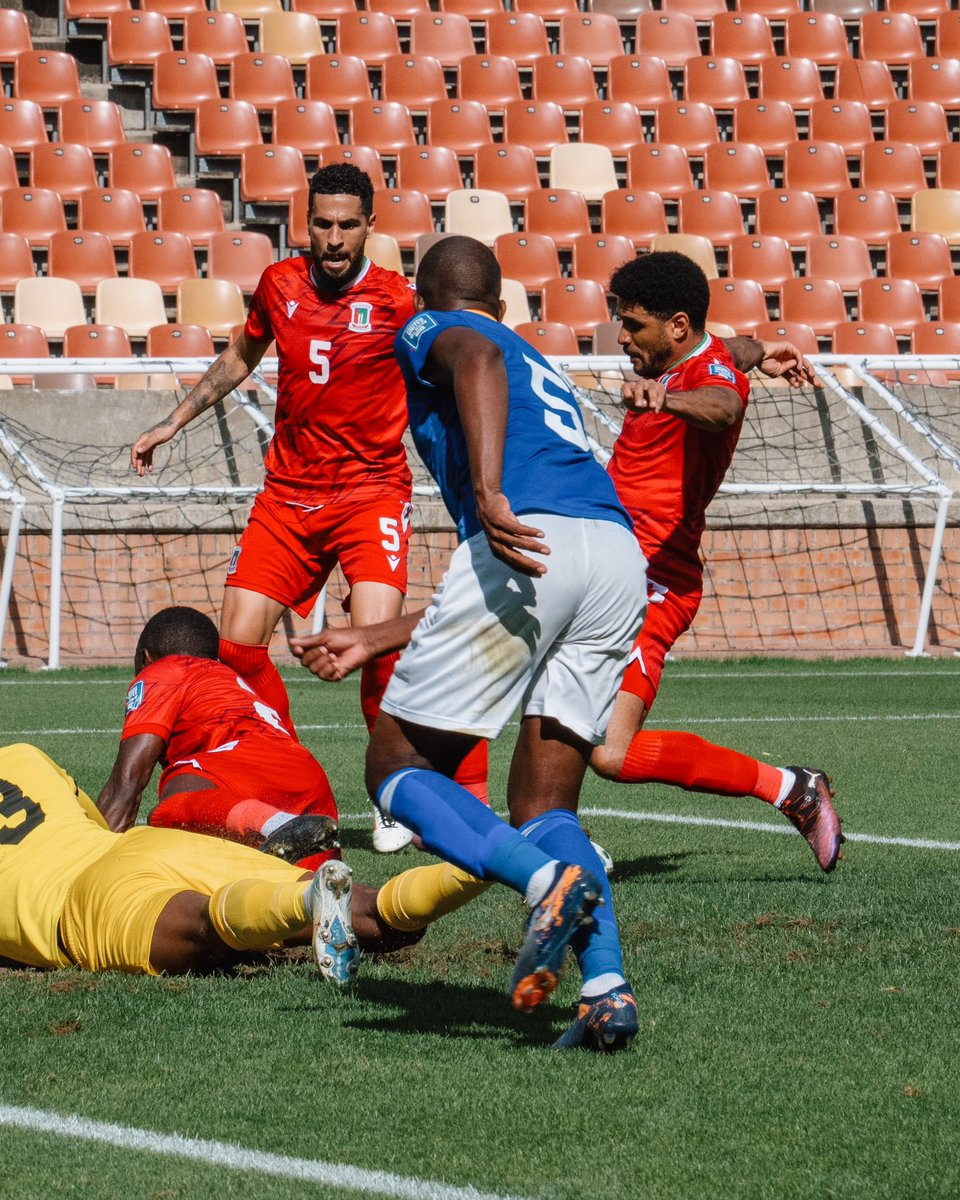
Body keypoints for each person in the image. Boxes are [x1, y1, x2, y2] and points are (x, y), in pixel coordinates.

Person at [300, 235, 650, 1055]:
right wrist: (375, 635)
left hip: (528, 536)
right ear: (505, 300)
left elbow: (472, 363)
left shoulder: (436, 331)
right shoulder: (535, 354)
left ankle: (542, 883)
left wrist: (488, 492)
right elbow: (525, 585)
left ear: (430, 301)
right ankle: (606, 989)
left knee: (393, 767)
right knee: (544, 805)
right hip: (613, 554)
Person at [128, 163, 486, 853]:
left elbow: (461, 360)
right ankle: (284, 769)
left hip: (370, 493)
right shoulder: (279, 285)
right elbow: (240, 355)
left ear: (368, 227)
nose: (334, 237)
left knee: (375, 638)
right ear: (305, 223)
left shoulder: (398, 301)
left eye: (348, 224)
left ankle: (394, 791)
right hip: (287, 495)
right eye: (322, 222)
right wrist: (174, 422)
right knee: (234, 646)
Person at [587, 252, 843, 873]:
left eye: (633, 325)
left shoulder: (704, 384)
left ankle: (791, 789)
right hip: (606, 569)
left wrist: (665, 400)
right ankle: (552, 834)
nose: (622, 337)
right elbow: (735, 350)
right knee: (554, 705)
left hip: (656, 581)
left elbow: (724, 403)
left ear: (675, 327)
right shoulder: (707, 351)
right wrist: (768, 348)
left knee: (611, 754)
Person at [0, 742, 477, 981]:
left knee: (206, 924)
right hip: (143, 845)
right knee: (383, 921)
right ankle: (486, 864)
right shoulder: (23, 755)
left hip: (80, 904)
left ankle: (306, 899)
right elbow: (99, 826)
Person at [97, 606, 340, 873]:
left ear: (145, 658)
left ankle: (270, 822)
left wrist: (89, 865)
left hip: (245, 772)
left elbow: (127, 783)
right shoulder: (232, 680)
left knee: (173, 800)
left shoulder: (163, 671)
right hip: (309, 780)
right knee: (320, 895)